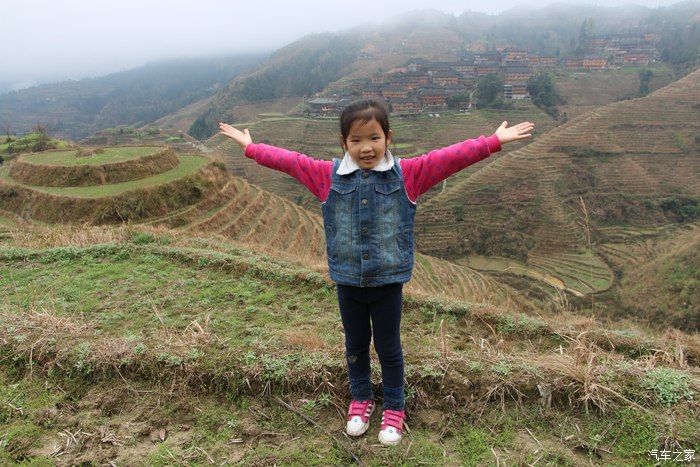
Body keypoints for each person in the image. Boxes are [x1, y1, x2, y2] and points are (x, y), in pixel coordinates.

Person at [219, 99, 533, 445]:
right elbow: (290, 161)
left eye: (374, 138)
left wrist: (493, 141)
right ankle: (361, 399)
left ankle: (395, 406)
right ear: (344, 142)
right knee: (355, 345)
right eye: (356, 140)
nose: (365, 147)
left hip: (387, 283)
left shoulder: (409, 174)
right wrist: (251, 148)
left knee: (388, 347)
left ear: (388, 138)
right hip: (348, 281)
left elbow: (449, 158)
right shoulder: (326, 176)